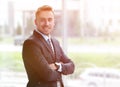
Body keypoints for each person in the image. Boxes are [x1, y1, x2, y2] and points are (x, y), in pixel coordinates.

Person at [22, 5, 75, 87]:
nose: (47, 23)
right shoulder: (30, 44)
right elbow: (47, 74)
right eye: (42, 20)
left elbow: (72, 66)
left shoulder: (55, 42)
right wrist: (63, 69)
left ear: (54, 22)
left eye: (50, 20)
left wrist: (57, 66)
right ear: (36, 22)